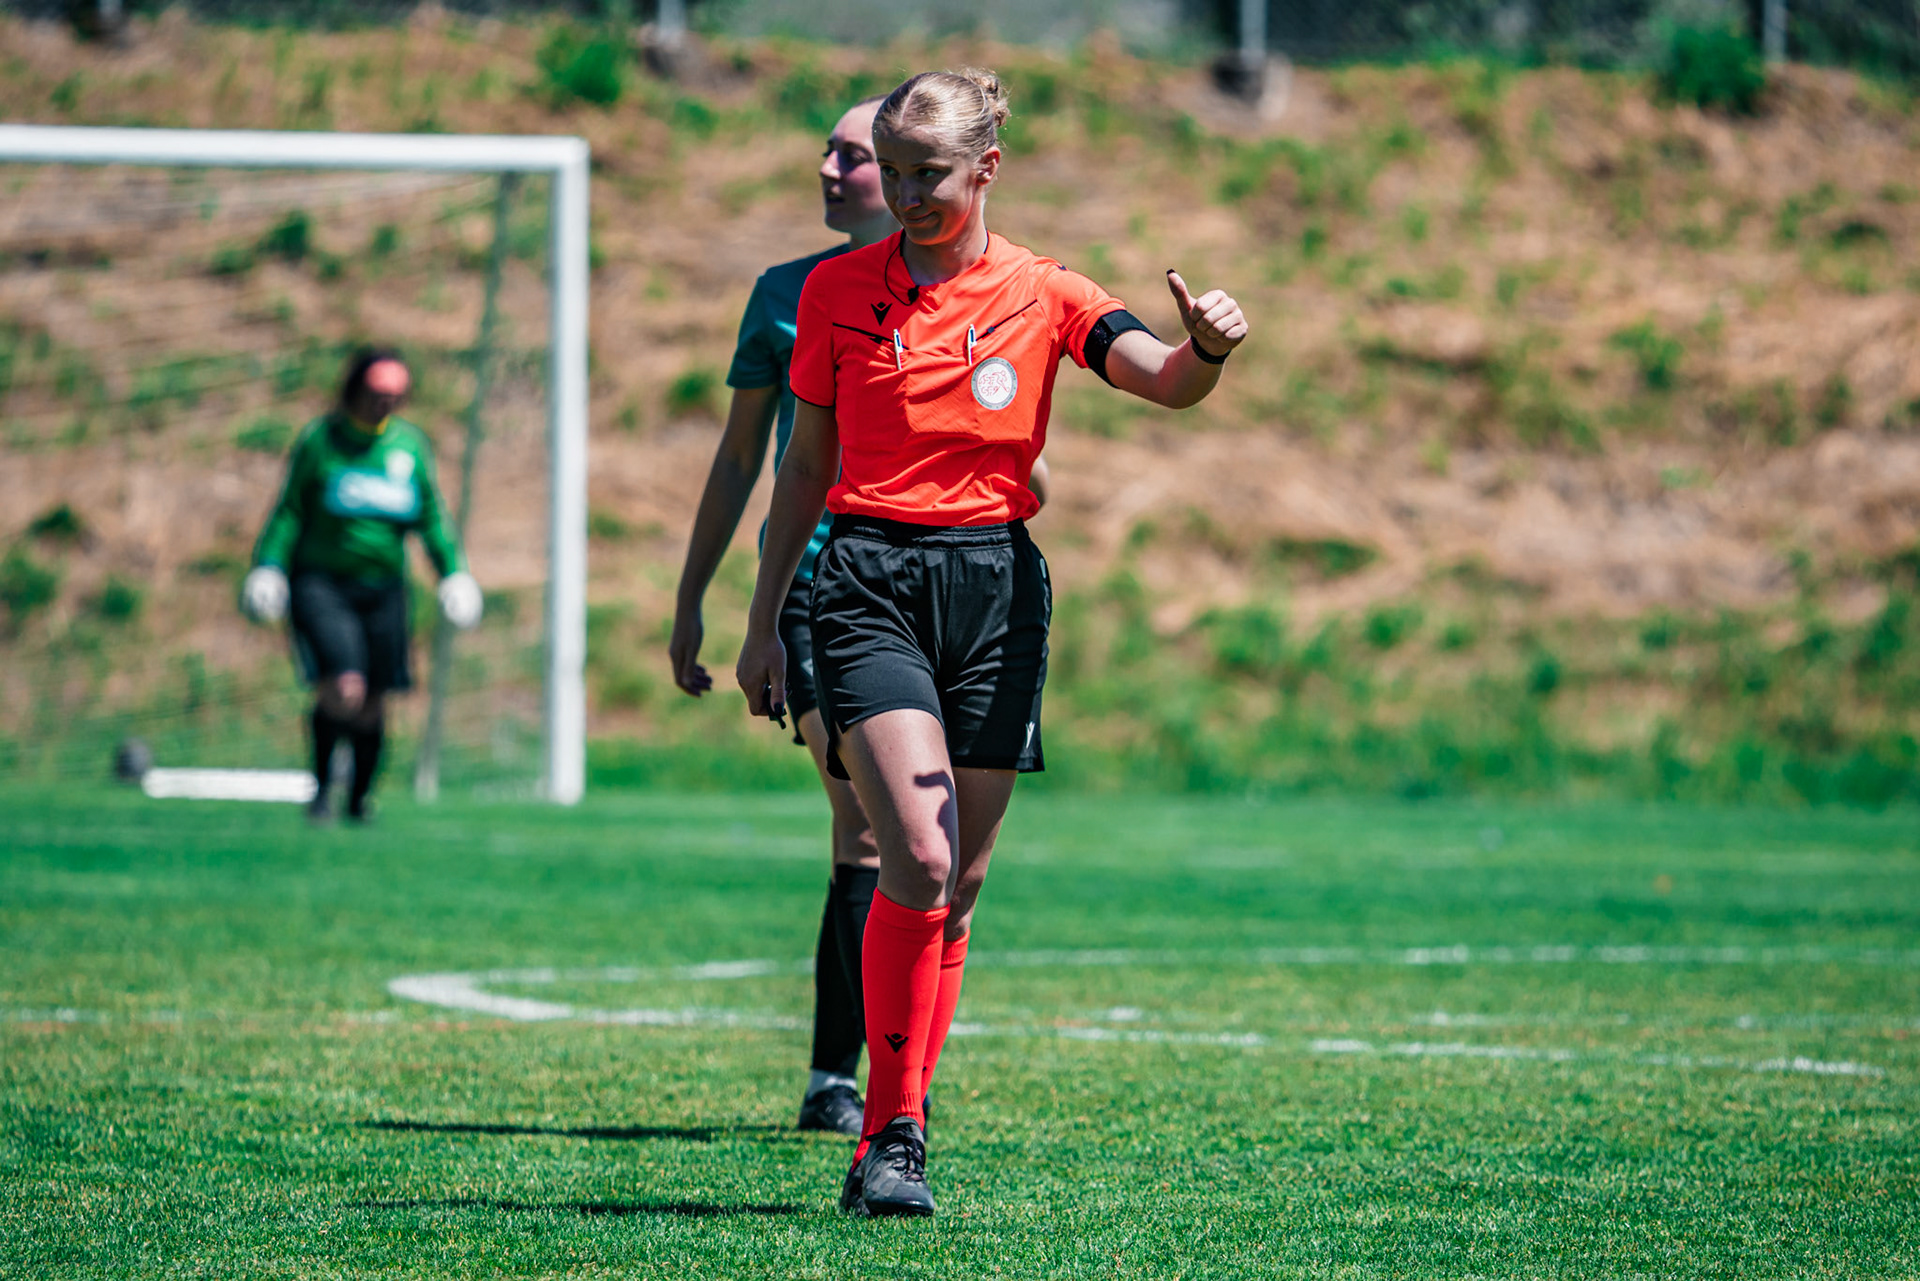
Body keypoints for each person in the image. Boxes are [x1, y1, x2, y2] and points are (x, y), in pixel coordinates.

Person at [735, 68, 1247, 1217]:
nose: (907, 194)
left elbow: (1162, 381)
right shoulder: (833, 296)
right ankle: (892, 1133)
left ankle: (901, 1114)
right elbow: (806, 470)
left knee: (958, 880)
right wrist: (768, 621)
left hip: (998, 589)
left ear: (987, 169)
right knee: (912, 851)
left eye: (931, 174)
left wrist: (1206, 347)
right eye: (895, 169)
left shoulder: (1047, 290)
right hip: (867, 579)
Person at [670, 95, 1054, 1136]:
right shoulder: (792, 295)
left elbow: (1031, 458)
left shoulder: (996, 291)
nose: (835, 168)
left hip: (960, 588)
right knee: (877, 835)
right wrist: (702, 599)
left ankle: (873, 1092)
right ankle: (845, 1085)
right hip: (822, 589)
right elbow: (755, 459)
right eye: (845, 154)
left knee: (911, 855)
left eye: (855, 152)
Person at [239, 348, 482, 823]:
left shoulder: (409, 447)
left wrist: (454, 571)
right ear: (354, 390)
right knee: (344, 687)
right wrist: (268, 565)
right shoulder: (322, 442)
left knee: (372, 703)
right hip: (322, 584)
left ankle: (360, 801)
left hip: (385, 588)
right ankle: (322, 791)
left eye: (395, 396)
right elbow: (290, 509)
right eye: (376, 394)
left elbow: (430, 516)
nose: (384, 404)